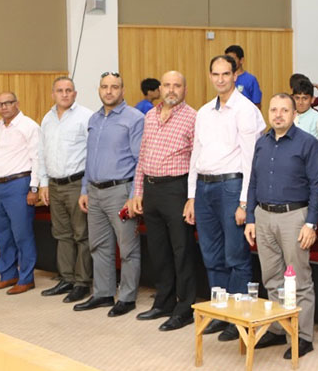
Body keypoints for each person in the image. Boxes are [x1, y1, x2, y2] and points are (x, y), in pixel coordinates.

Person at [186, 55, 266, 340]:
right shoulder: (204, 111)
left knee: (236, 255)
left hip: (232, 186)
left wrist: (245, 202)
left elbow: (250, 159)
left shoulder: (245, 110)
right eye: (215, 74)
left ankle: (238, 318)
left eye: (225, 74)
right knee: (211, 255)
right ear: (210, 76)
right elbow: (196, 153)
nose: (220, 79)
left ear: (235, 75)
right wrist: (191, 195)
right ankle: (220, 313)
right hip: (205, 187)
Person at [244, 93, 318, 359]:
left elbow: (316, 186)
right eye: (274, 110)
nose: (278, 115)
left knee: (298, 279)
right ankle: (278, 328)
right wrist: (251, 218)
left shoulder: (308, 143)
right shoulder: (261, 143)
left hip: (295, 217)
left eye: (284, 110)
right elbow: (253, 182)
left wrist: (311, 223)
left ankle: (303, 336)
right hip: (263, 216)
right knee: (272, 278)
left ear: (294, 114)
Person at [126, 71, 198, 331]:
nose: (171, 90)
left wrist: (192, 197)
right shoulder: (149, 115)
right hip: (151, 188)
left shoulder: (193, 117)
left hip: (177, 188)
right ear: (160, 88)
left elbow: (197, 160)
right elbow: (143, 155)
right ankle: (164, 302)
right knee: (158, 250)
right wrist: (138, 192)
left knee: (182, 250)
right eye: (167, 85)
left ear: (185, 89)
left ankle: (185, 308)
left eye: (177, 85)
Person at [75, 72, 144, 315]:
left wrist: (134, 195)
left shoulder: (134, 118)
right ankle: (103, 293)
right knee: (99, 246)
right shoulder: (94, 119)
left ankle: (127, 297)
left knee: (127, 248)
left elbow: (140, 160)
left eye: (114, 87)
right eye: (104, 86)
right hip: (94, 191)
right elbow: (90, 158)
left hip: (121, 191)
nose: (109, 91)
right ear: (99, 89)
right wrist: (84, 189)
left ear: (122, 90)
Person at [36, 77, 93, 302]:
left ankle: (82, 282)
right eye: (60, 90)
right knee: (61, 234)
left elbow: (92, 154)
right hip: (54, 184)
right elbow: (42, 153)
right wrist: (43, 183)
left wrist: (87, 187)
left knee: (81, 234)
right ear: (53, 94)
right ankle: (67, 278)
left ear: (75, 94)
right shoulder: (47, 119)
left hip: (77, 183)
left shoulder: (85, 116)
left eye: (69, 90)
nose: (64, 94)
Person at [0, 91, 41, 295]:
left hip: (19, 184)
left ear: (17, 103)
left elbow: (37, 158)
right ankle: (8, 275)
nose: (4, 107)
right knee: (2, 233)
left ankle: (26, 278)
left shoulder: (29, 126)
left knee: (22, 234)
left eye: (8, 103)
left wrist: (34, 188)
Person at [291, 79, 318, 166]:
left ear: (312, 99)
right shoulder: (289, 116)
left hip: (310, 165)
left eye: (305, 98)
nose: (300, 102)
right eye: (297, 98)